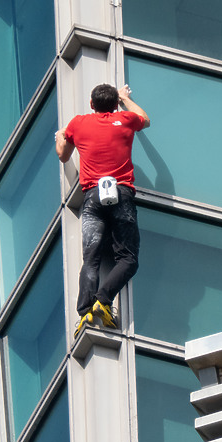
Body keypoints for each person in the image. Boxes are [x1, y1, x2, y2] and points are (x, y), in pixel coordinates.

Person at [56, 83, 150, 335]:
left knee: (91, 259)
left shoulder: (79, 123)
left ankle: (85, 312)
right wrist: (125, 99)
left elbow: (63, 155)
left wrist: (60, 137)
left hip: (92, 197)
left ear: (91, 104)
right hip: (121, 194)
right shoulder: (126, 120)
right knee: (128, 259)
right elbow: (145, 119)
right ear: (115, 104)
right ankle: (103, 301)